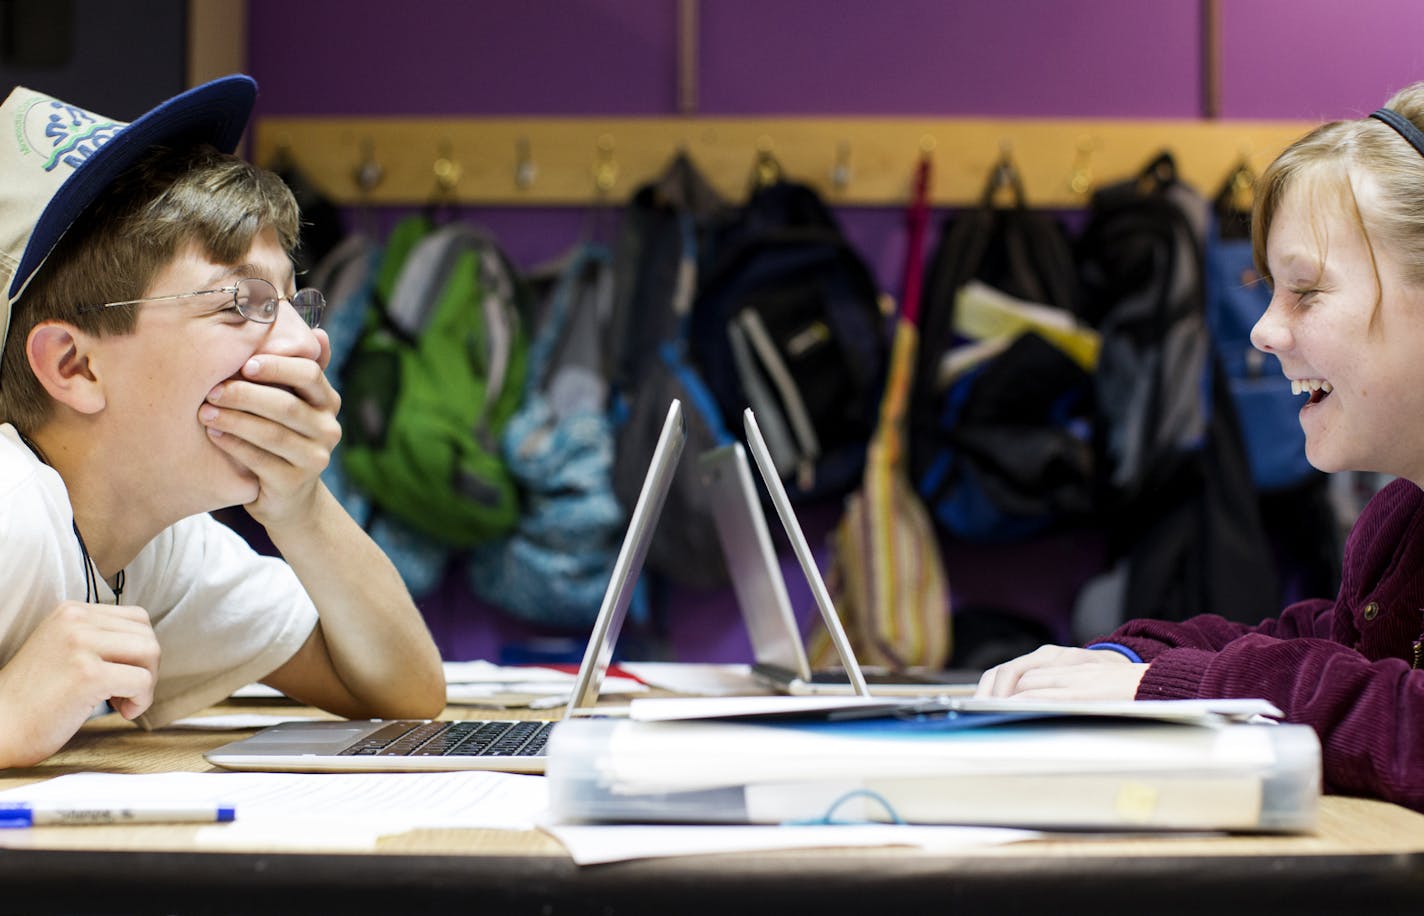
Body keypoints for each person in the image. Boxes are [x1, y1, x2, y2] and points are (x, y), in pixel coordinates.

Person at [976, 82, 1424, 812]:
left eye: (1306, 292)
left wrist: (1172, 686)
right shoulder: (1400, 519)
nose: (1264, 330)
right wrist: (1125, 660)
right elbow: (1307, 643)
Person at [0, 75, 446, 768]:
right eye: (241, 302)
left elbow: (403, 689)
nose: (307, 346)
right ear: (74, 366)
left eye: (297, 304)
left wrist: (298, 504)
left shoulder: (159, 550)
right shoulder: (11, 507)